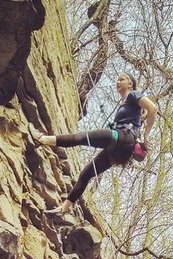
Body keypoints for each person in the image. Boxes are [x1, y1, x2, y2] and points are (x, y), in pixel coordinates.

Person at [30, 72, 158, 214]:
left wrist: (146, 136)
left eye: (122, 79)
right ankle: (64, 208)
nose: (118, 82)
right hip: (118, 151)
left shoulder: (134, 95)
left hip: (123, 138)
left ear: (130, 84)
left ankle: (42, 139)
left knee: (81, 138)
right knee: (86, 174)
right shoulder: (125, 105)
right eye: (117, 79)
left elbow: (153, 108)